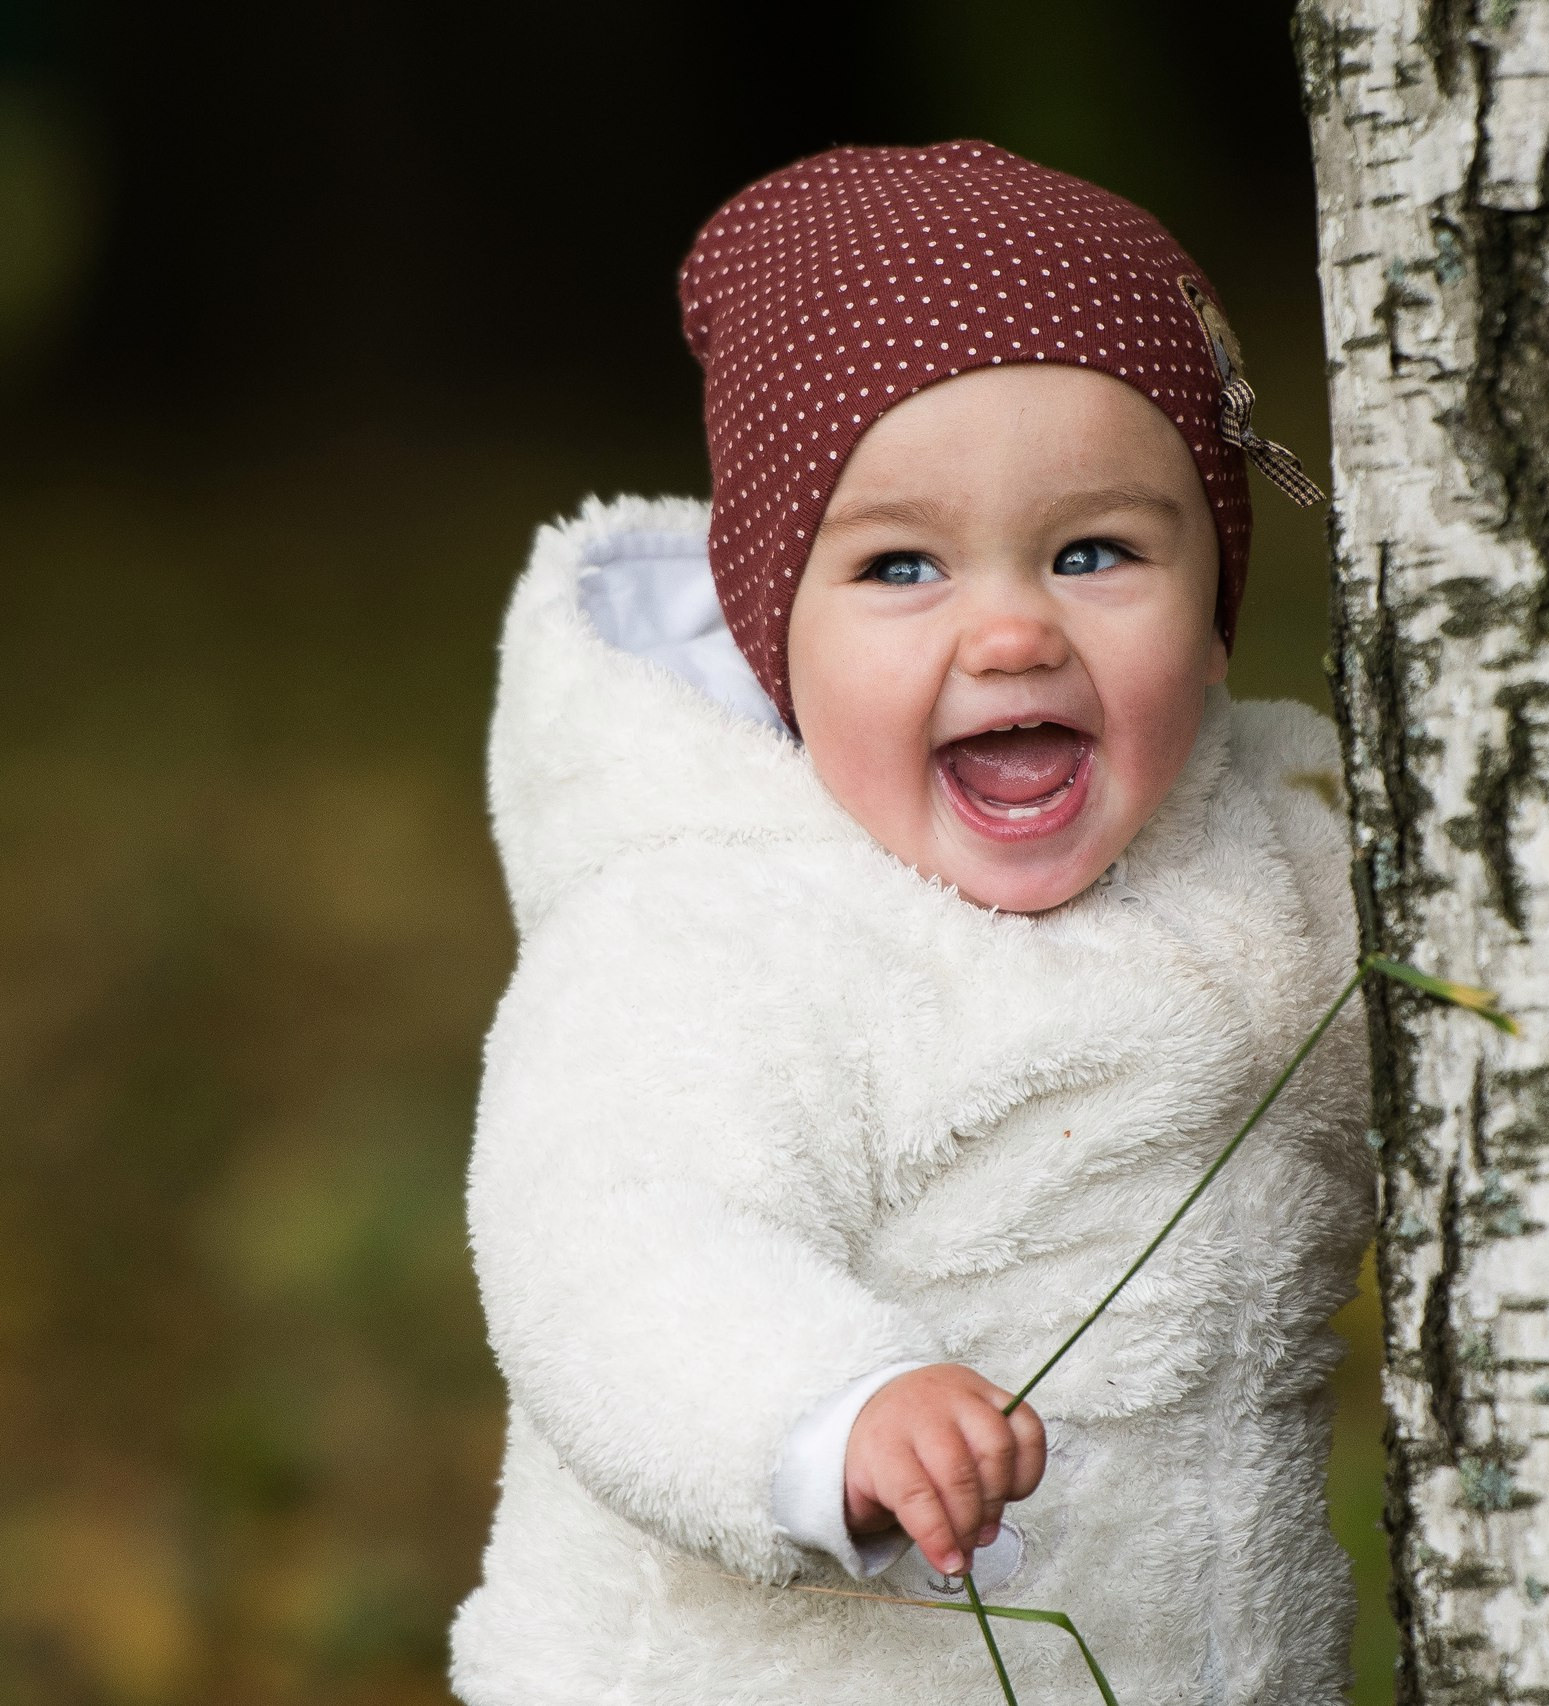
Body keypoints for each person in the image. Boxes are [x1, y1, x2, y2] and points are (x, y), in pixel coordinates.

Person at [449, 142, 1372, 1705]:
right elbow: (610, 1237)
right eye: (900, 566)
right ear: (776, 631)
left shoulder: (1280, 857)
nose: (1009, 630)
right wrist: (830, 1412)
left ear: (1215, 611)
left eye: (1095, 552)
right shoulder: (708, 926)